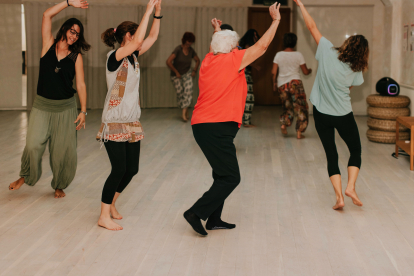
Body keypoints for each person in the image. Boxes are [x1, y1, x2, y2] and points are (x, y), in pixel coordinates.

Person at [183, 2, 282, 236]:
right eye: (235, 45)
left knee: (221, 174)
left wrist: (217, 30)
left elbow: (215, 45)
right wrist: (276, 20)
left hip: (206, 126)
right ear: (230, 48)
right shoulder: (233, 60)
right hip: (215, 128)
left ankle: (214, 219)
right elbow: (263, 45)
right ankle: (196, 212)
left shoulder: (208, 60)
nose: (238, 47)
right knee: (231, 177)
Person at [8, 0, 90, 198]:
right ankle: (26, 175)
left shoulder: (76, 57)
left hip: (66, 108)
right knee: (33, 144)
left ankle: (59, 185)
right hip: (42, 106)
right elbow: (46, 15)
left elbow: (80, 85)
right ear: (64, 29)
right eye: (71, 30)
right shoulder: (48, 45)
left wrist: (83, 111)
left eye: (77, 33)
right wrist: (69, 2)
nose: (73, 35)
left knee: (62, 151)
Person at [294, 0, 369, 210]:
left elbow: (311, 26)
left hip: (321, 114)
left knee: (331, 154)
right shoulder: (356, 70)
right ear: (362, 54)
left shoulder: (327, 50)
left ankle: (339, 198)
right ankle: (351, 187)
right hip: (343, 114)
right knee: (355, 150)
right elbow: (350, 90)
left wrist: (300, 5)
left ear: (347, 45)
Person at [97, 0, 162, 230]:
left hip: (132, 122)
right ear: (126, 36)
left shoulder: (134, 57)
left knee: (131, 169)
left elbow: (151, 38)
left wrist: (157, 15)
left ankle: (112, 203)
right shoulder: (114, 57)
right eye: (135, 36)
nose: (140, 41)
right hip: (114, 122)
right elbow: (138, 41)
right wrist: (146, 11)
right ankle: (103, 216)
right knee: (118, 169)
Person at [272, 32, 312, 139]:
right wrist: (309, 70)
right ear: (295, 43)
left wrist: (274, 83)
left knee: (287, 107)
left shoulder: (278, 55)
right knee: (301, 107)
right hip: (296, 84)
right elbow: (305, 71)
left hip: (282, 85)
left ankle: (284, 124)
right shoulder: (298, 55)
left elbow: (273, 72)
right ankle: (299, 132)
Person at [166, 32, 200, 122]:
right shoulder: (178, 49)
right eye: (189, 41)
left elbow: (197, 60)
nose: (190, 43)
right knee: (180, 93)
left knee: (188, 92)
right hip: (176, 75)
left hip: (187, 73)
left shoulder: (191, 50)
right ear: (185, 40)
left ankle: (184, 113)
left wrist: (194, 70)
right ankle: (185, 110)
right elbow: (168, 61)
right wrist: (176, 72)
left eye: (191, 42)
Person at [239, 29, 261, 127]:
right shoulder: (248, 45)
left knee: (243, 98)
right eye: (254, 35)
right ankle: (246, 122)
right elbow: (245, 59)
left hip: (241, 73)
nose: (256, 37)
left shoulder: (243, 45)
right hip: (245, 73)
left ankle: (243, 120)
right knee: (249, 98)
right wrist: (255, 66)